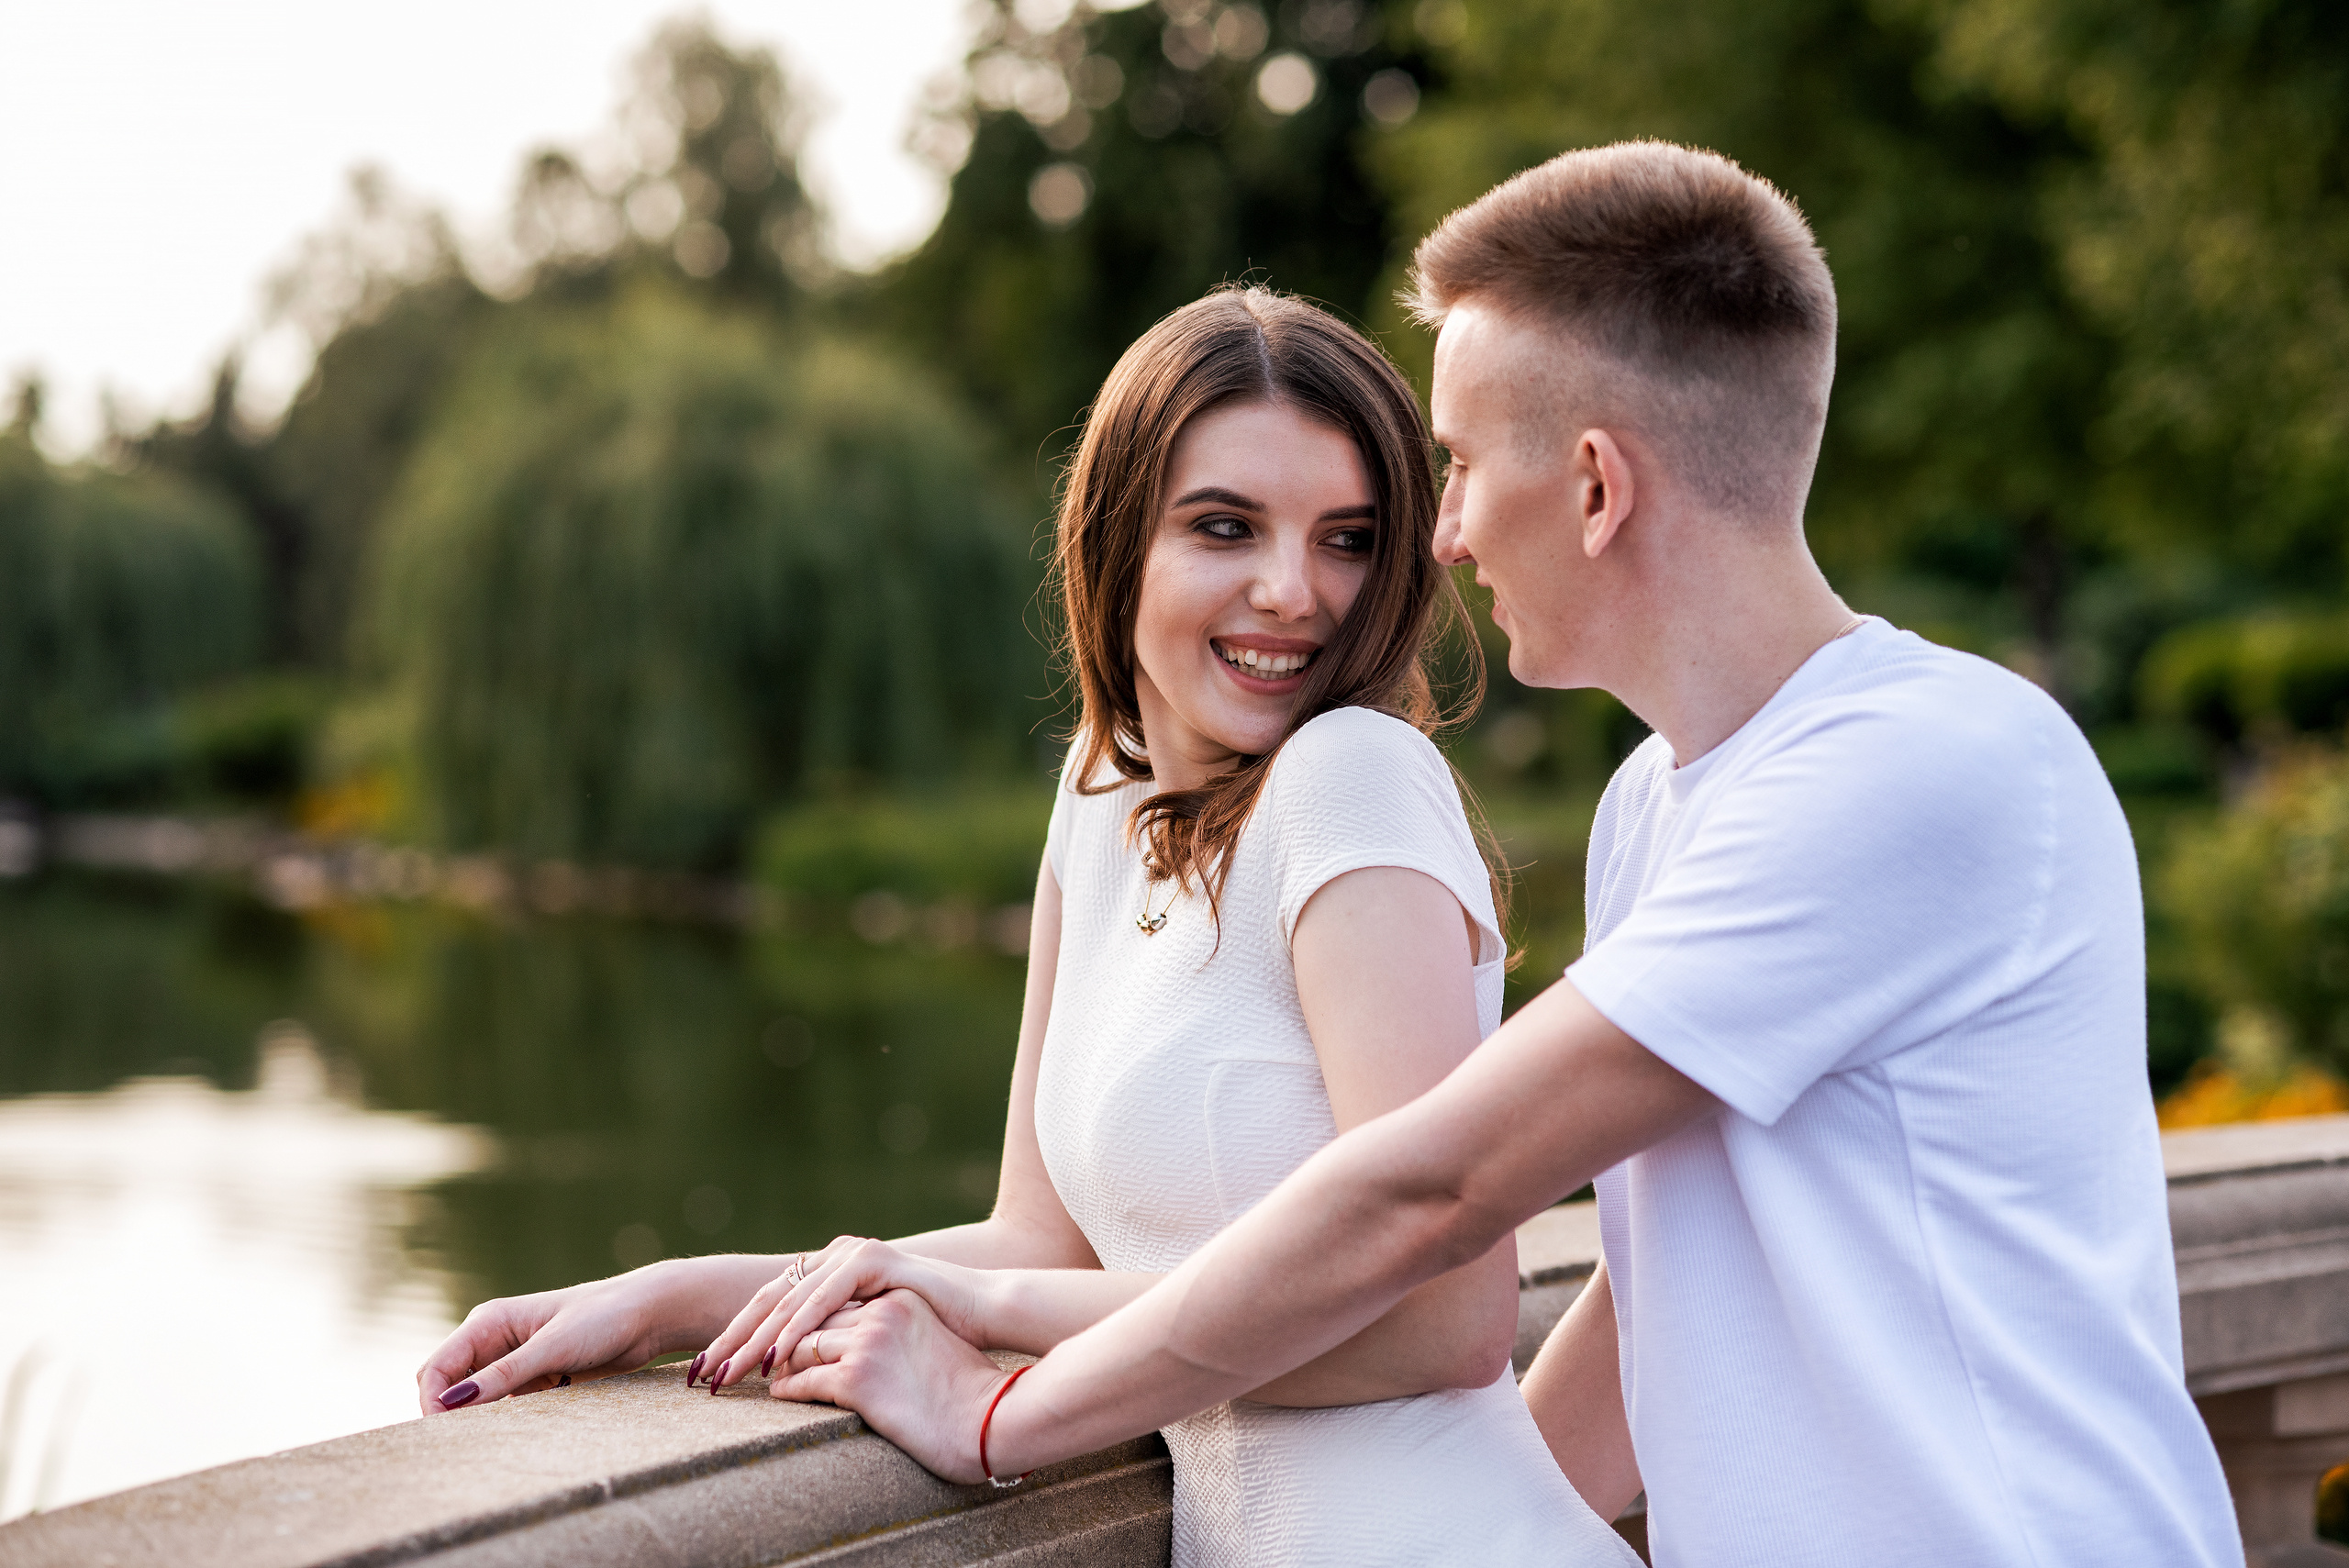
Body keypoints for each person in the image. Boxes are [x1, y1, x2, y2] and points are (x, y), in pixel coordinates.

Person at [749, 143, 2246, 1567]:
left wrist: (1003, 1413)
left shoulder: (1923, 767)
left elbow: (1433, 1191)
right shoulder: (1658, 803)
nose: (1442, 532)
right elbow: (1665, 1283)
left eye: (1457, 463)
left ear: (1596, 486)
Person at [416, 287, 1642, 1567]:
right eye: (1225, 527)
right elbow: (1035, 1240)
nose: (1293, 591)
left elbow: (1442, 1321)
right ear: (1119, 542)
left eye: (1348, 539)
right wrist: (671, 1297)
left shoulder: (1355, 776)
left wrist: (979, 1334)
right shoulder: (1098, 798)